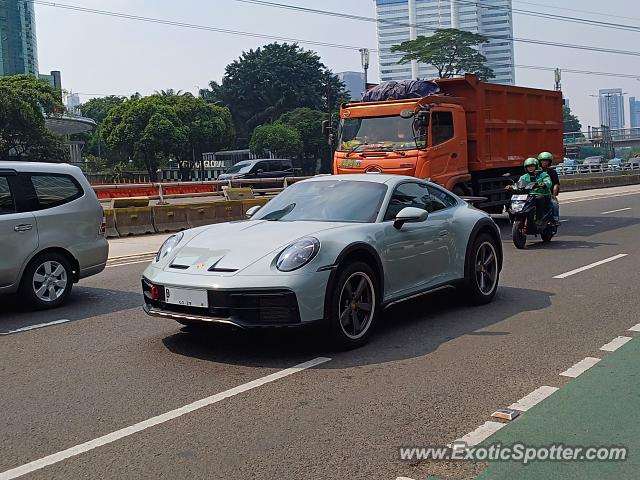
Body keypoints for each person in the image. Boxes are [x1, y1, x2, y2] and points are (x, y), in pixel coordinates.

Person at [518, 157, 552, 225]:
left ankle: (539, 219)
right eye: (528, 167)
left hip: (543, 195)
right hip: (529, 197)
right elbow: (519, 184)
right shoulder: (523, 177)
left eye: (532, 166)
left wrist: (544, 184)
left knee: (539, 198)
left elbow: (548, 182)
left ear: (536, 166)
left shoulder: (543, 175)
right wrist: (511, 187)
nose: (530, 168)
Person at [538, 151, 560, 225]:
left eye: (546, 161)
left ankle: (555, 219)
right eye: (543, 161)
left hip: (548, 194)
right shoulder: (536, 172)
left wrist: (553, 195)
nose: (544, 162)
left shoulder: (552, 172)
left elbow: (556, 184)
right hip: (536, 193)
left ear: (549, 162)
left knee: (554, 204)